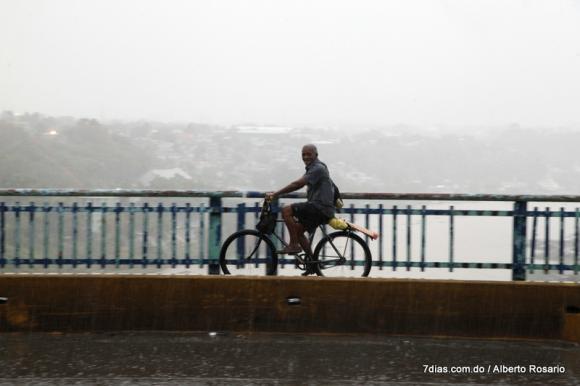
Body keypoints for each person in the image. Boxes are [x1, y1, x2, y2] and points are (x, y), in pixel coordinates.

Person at [265, 144, 335, 257]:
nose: (306, 157)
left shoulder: (317, 168)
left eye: (309, 154)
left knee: (286, 211)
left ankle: (293, 245)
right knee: (297, 231)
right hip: (322, 208)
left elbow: (297, 184)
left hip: (319, 207)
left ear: (316, 155)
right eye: (303, 154)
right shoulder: (313, 168)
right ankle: (312, 263)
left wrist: (276, 194)